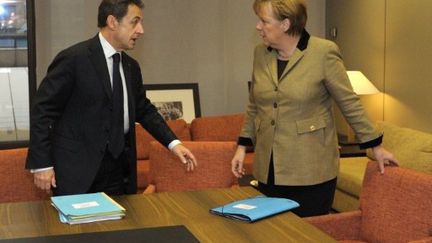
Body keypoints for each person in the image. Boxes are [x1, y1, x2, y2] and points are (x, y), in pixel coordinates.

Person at [231, 0, 398, 217]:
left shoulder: (323, 52)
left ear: (285, 24)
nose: (258, 26)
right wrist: (242, 147)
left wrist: (376, 146)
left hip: (310, 169)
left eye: (264, 21)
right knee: (271, 231)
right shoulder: (260, 54)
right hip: (269, 168)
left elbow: (348, 102)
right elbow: (255, 104)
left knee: (307, 233)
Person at [26, 0, 197, 196]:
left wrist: (174, 144)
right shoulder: (74, 59)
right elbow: (42, 111)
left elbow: (143, 109)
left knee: (121, 226)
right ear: (112, 22)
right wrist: (42, 164)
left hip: (120, 168)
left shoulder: (131, 66)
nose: (141, 30)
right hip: (78, 171)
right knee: (78, 227)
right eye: (135, 22)